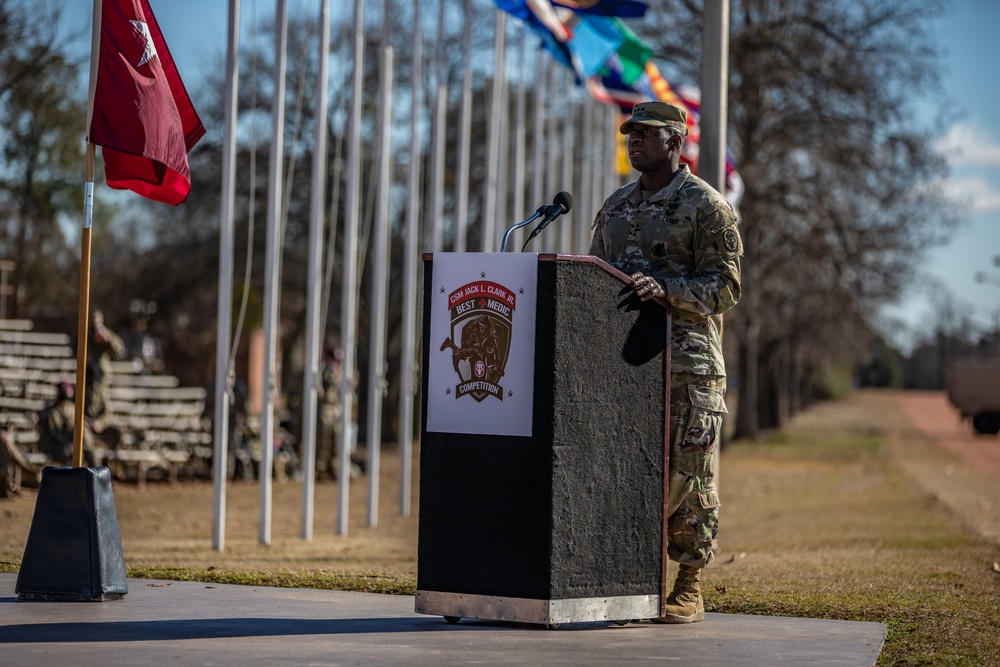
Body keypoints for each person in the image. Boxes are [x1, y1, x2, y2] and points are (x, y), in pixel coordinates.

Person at [589, 101, 743, 624]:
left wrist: (668, 291)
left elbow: (726, 286)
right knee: (624, 470)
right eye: (631, 133)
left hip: (687, 364)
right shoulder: (614, 208)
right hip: (622, 366)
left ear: (675, 142)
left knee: (688, 473)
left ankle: (689, 583)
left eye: (646, 134)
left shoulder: (706, 207)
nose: (634, 141)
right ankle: (628, 577)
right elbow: (591, 278)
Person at [84, 309, 125, 425]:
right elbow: (74, 348)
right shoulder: (85, 334)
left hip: (101, 373)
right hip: (88, 372)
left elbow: (118, 353)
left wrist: (109, 340)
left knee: (101, 397)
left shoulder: (107, 334)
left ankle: (99, 422)